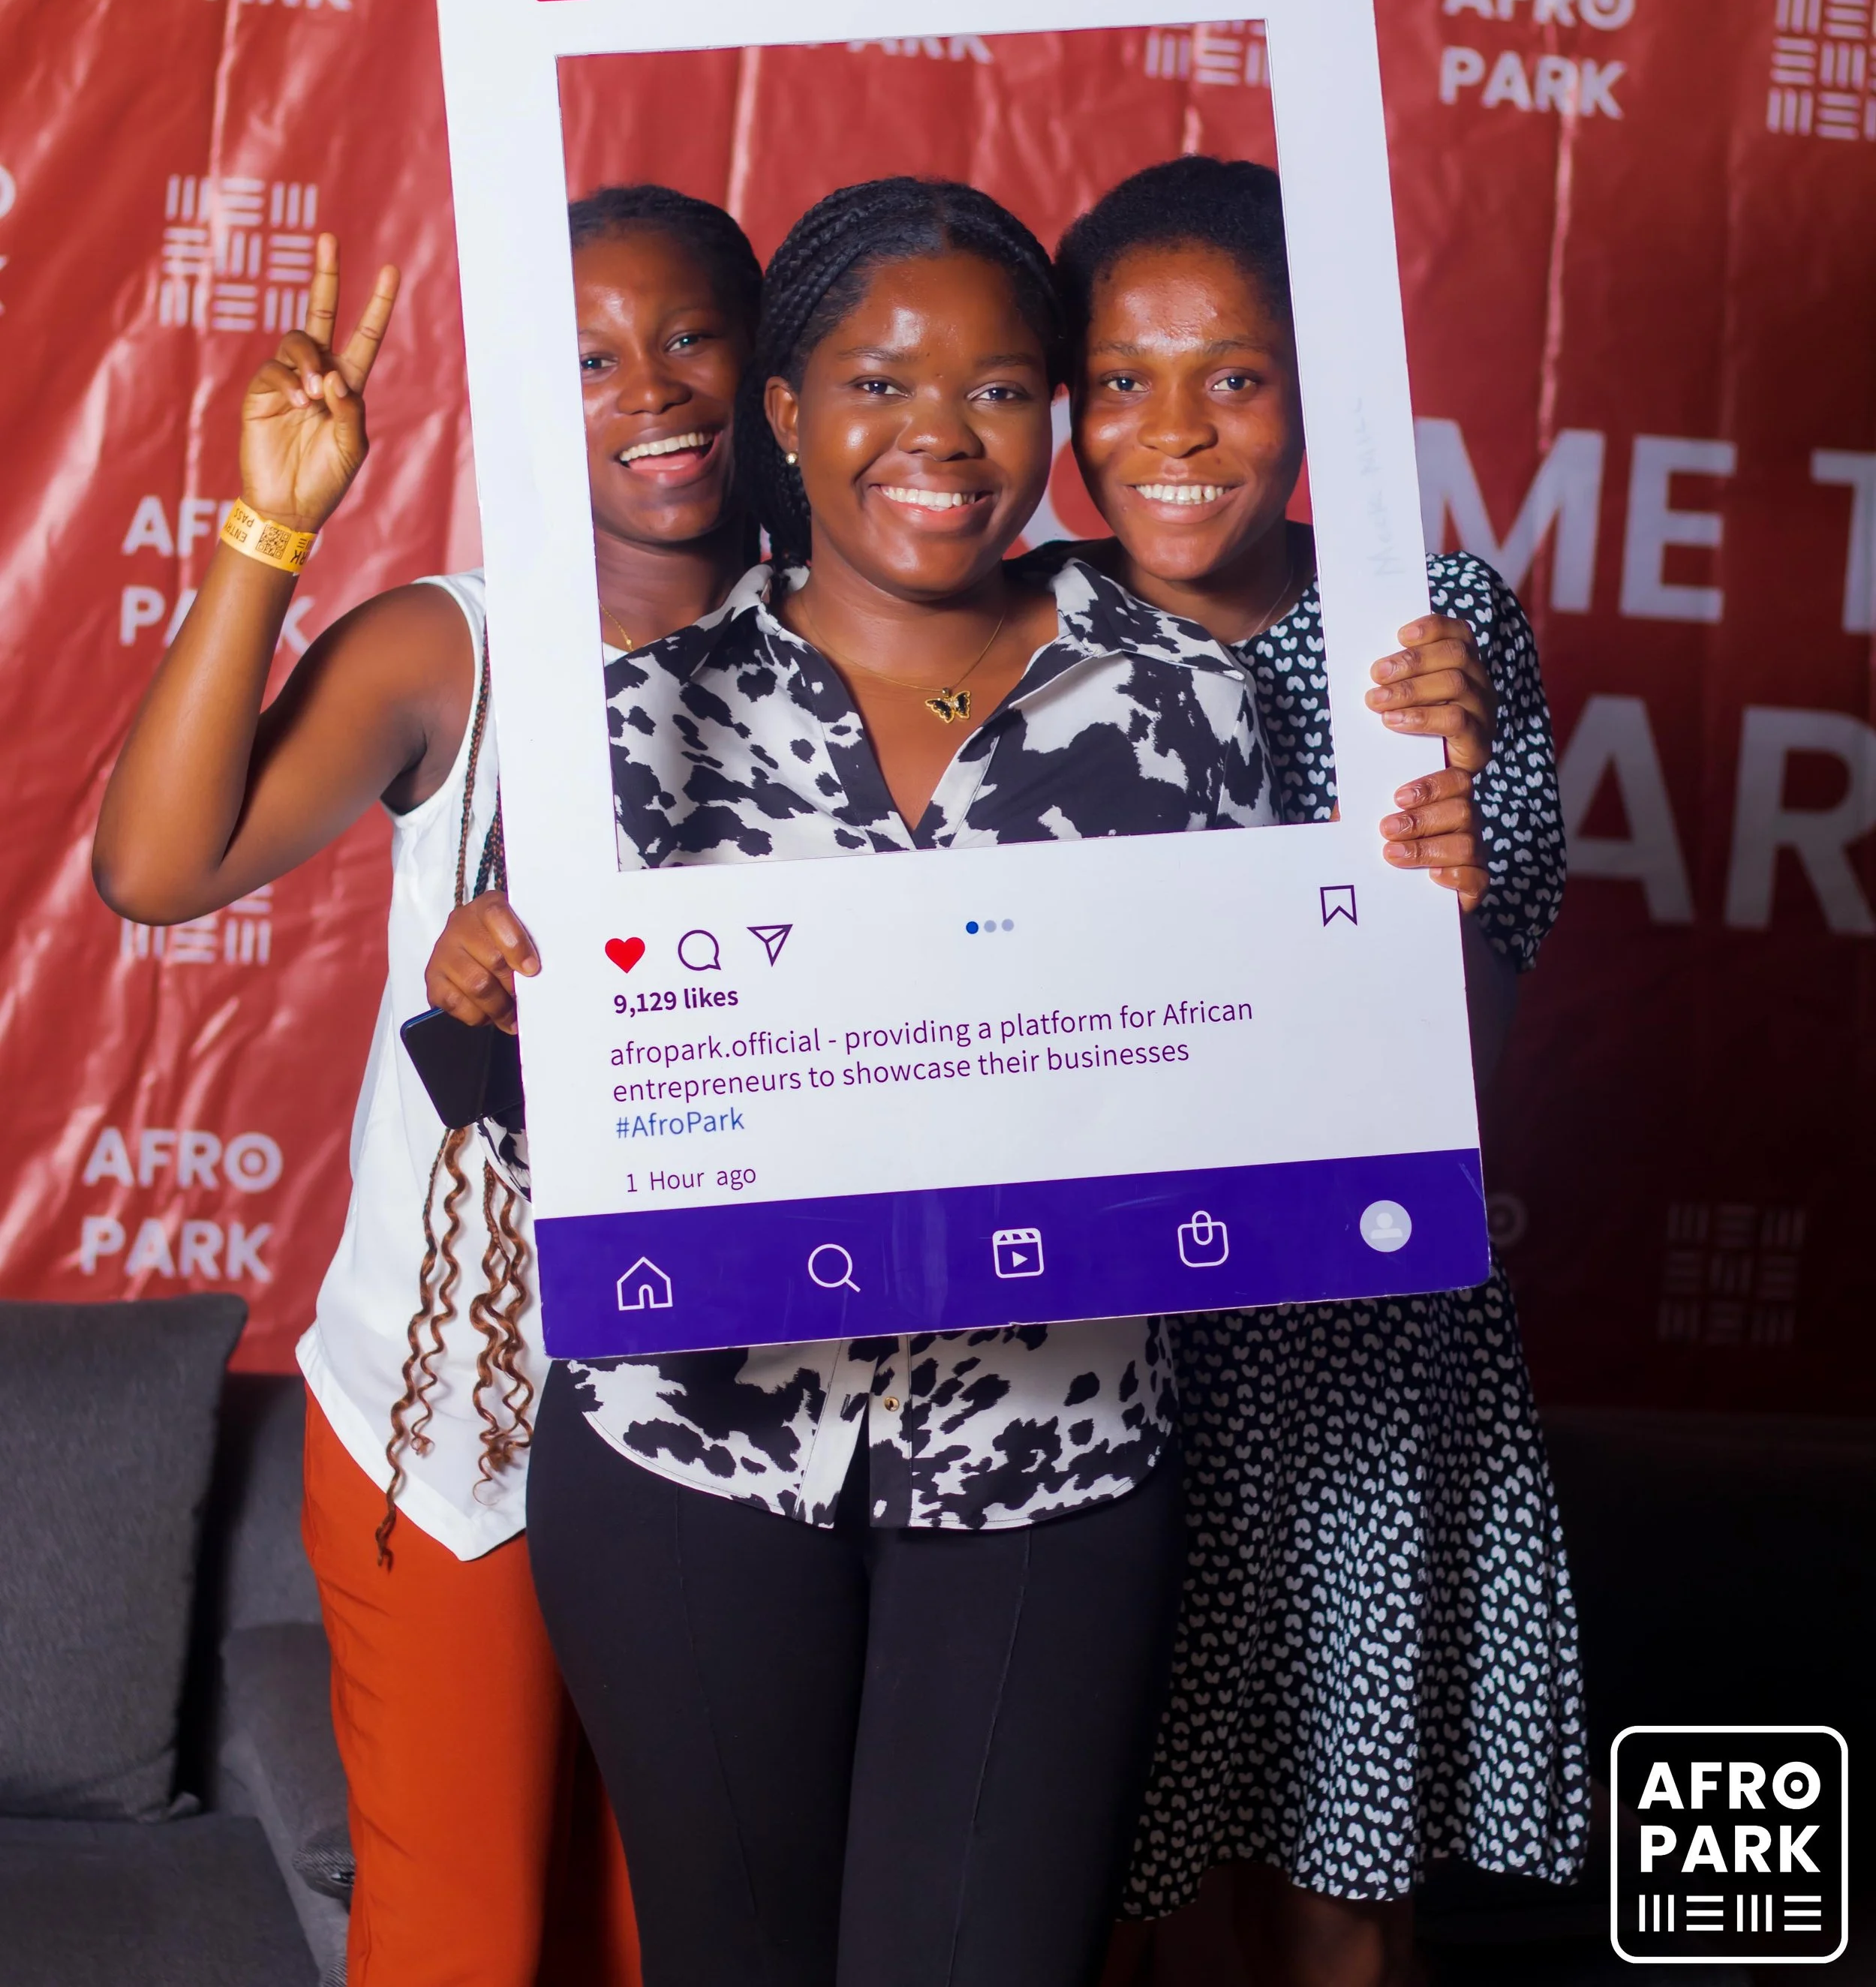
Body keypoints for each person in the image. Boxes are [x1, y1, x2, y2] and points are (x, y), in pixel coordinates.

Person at [424, 175, 1289, 1987]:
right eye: (879, 385)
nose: (940, 438)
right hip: (687, 1463)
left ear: (1050, 420)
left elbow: (1300, 1073)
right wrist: (495, 1006)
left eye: (996, 388)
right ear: (786, 417)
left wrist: (1407, 871)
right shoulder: (631, 729)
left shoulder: (1190, 711)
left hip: (1042, 1465)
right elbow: (534, 1134)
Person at [92, 184, 762, 1987]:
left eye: (690, 335)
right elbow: (156, 869)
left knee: (667, 1938)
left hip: (746, 1421)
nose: (652, 390)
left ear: (769, 362)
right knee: (464, 1941)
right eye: (590, 358)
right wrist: (268, 526)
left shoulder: (868, 642)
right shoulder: (453, 649)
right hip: (459, 1426)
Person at [1055, 156, 1588, 1987]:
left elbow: (1472, 1062)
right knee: (1094, 1872)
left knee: (1334, 1894)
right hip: (1083, 1349)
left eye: (1235, 373)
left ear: (1320, 393)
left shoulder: (1424, 633)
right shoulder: (1011, 621)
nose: (1173, 432)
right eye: (1119, 379)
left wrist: (1437, 864)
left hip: (1347, 1344)